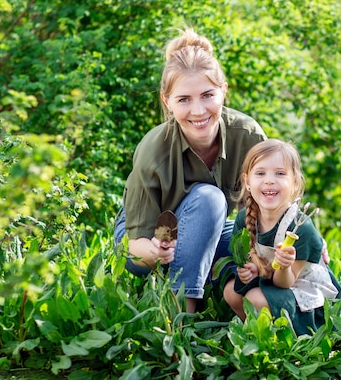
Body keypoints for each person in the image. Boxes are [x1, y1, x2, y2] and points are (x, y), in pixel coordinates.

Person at [113, 28, 267, 313]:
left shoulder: (248, 135)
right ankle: (182, 316)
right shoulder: (153, 149)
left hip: (209, 230)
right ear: (167, 102)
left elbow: (277, 197)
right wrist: (156, 253)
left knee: (246, 249)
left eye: (208, 95)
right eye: (184, 99)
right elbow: (134, 245)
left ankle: (231, 301)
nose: (198, 111)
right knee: (209, 197)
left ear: (223, 91)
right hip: (146, 236)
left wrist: (306, 241)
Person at [222, 139, 341, 335]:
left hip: (302, 293)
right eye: (260, 173)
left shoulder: (300, 228)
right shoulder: (245, 218)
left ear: (295, 182)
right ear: (248, 181)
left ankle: (285, 337)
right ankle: (258, 333)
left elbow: (284, 282)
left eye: (280, 173)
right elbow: (248, 256)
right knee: (231, 291)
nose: (269, 180)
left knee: (254, 298)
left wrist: (284, 266)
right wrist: (251, 269)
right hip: (269, 281)